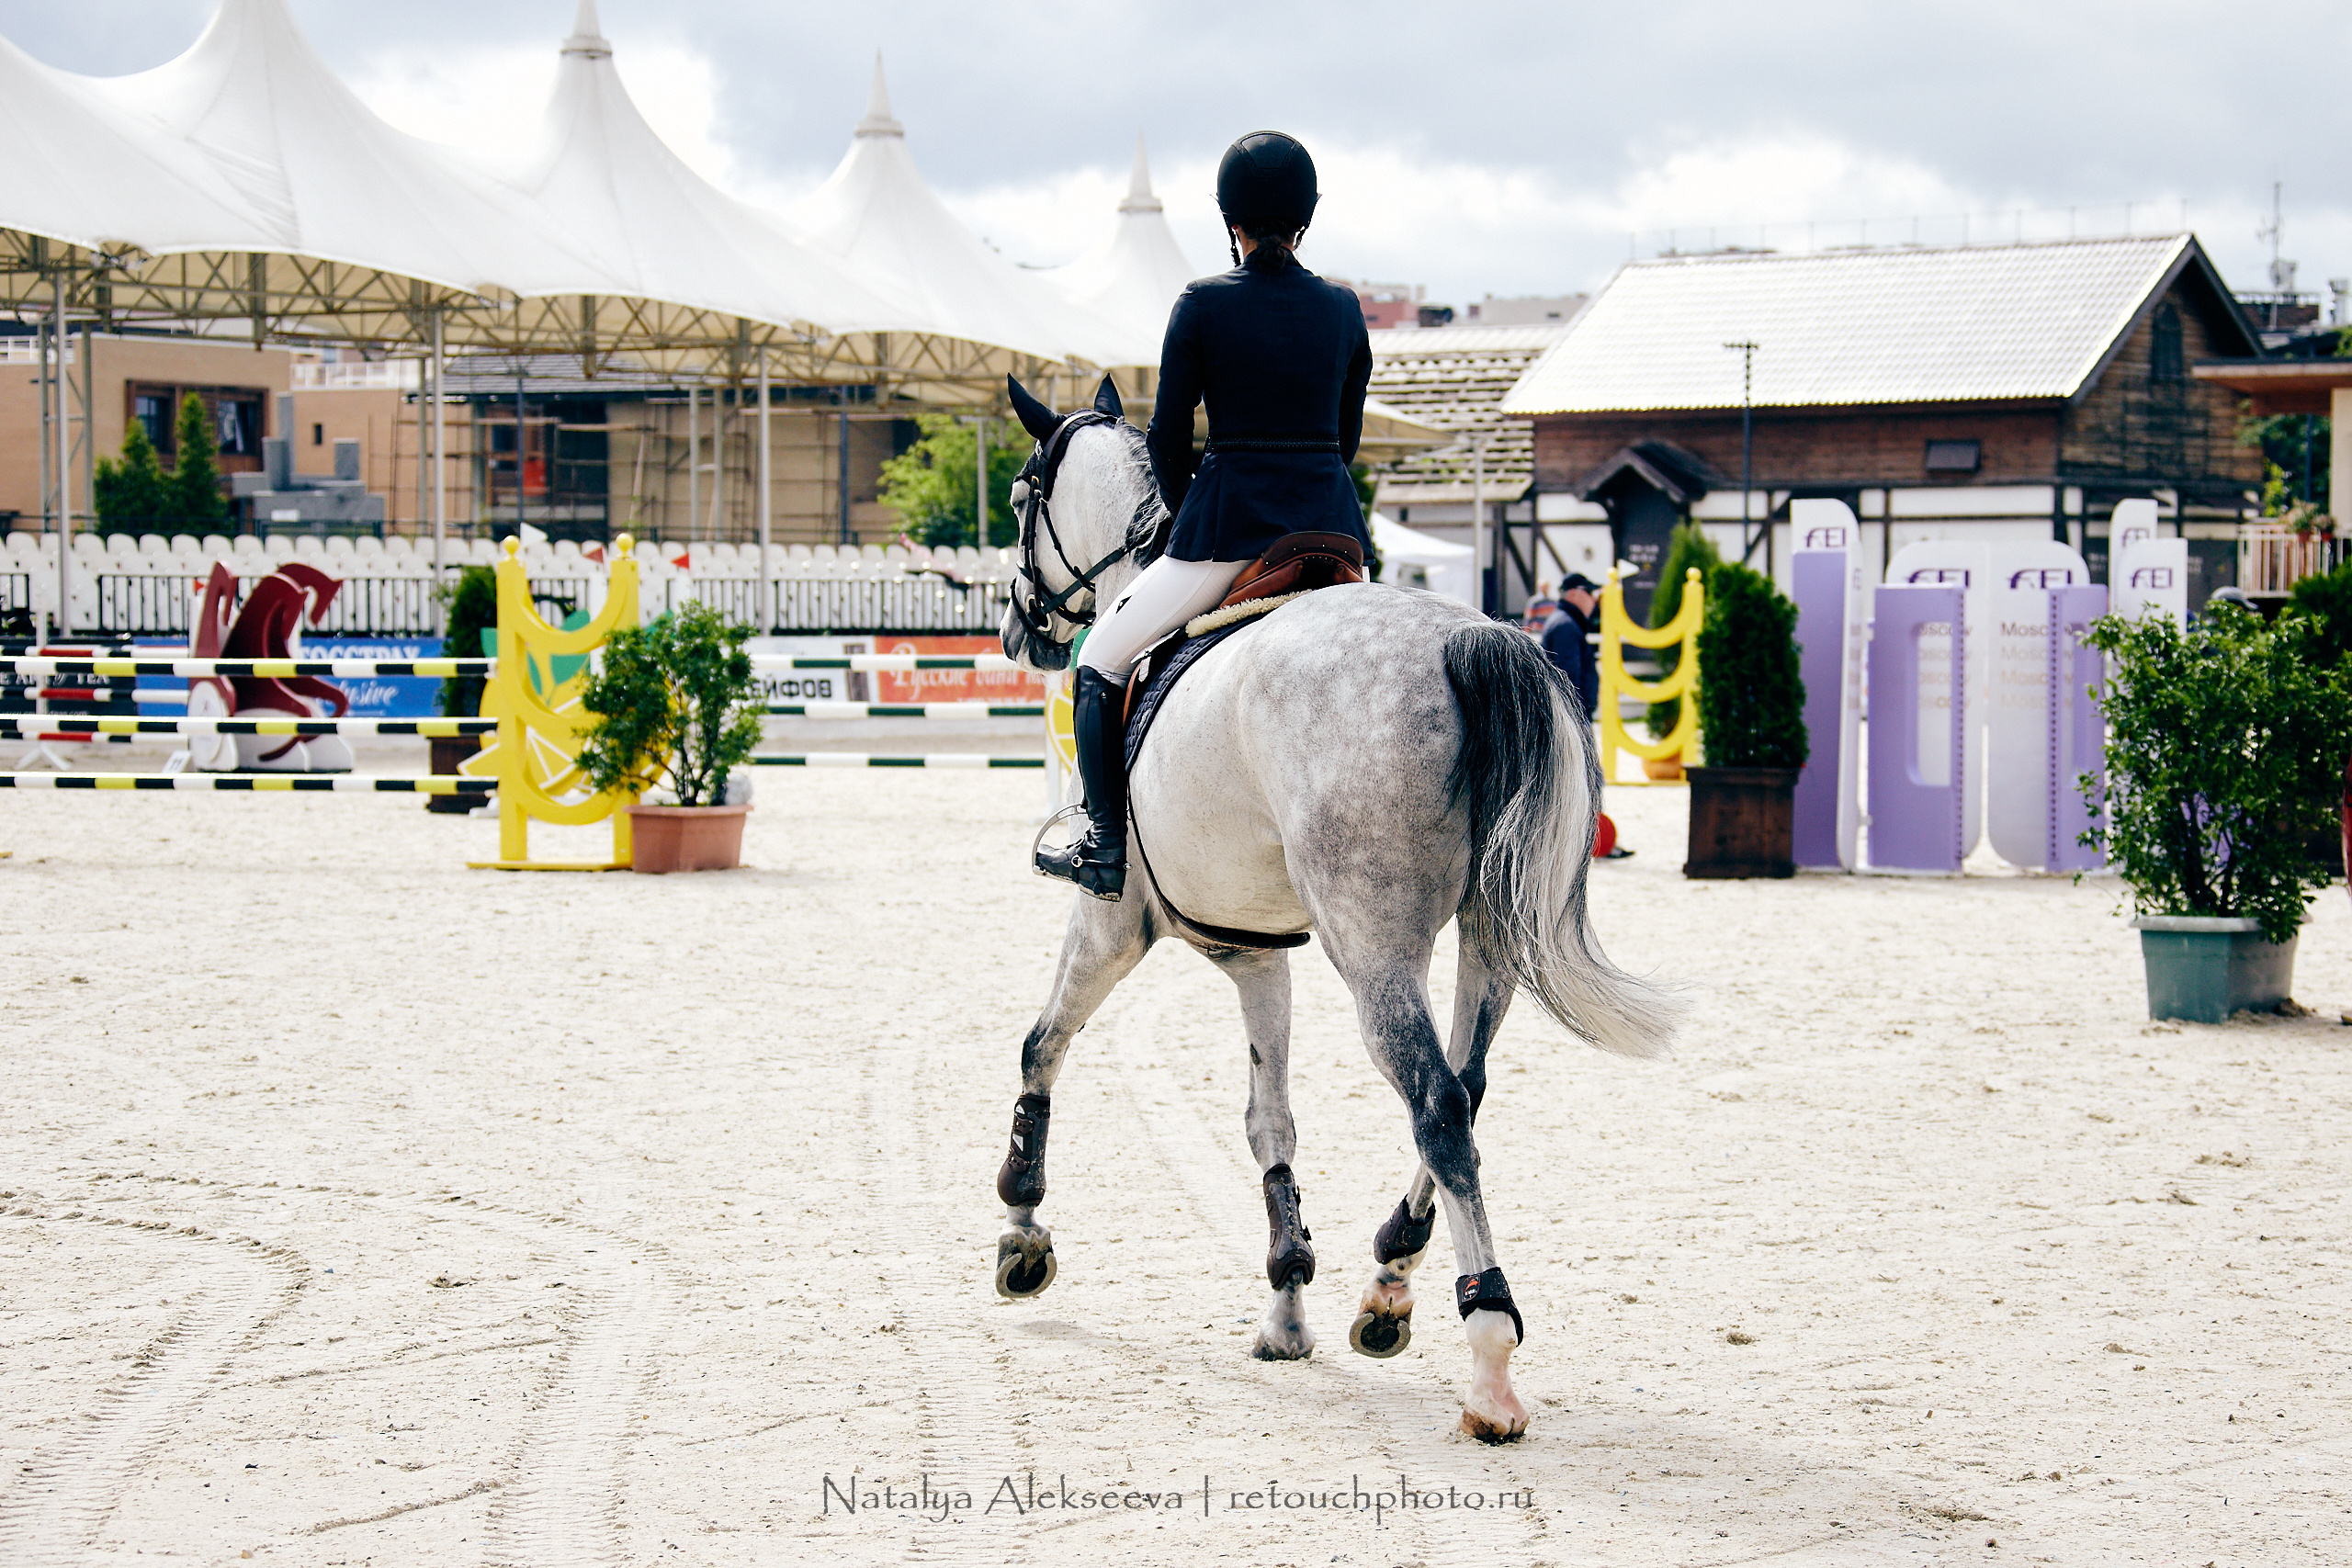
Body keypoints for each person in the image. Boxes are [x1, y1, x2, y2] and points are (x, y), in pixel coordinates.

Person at [1035, 130, 1374, 901]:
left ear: (1231, 220)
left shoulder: (1202, 304)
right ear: (1304, 219)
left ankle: (1105, 845)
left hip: (1229, 533)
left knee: (1100, 658)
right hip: (1334, 535)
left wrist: (1193, 521)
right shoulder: (1345, 310)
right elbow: (1346, 441)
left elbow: (1165, 437)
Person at [1539, 573, 1633, 859]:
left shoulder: (1563, 623)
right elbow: (1570, 681)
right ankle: (1591, 842)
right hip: (1573, 719)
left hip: (1571, 718)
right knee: (1588, 779)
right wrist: (1577, 723)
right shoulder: (1566, 627)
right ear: (1576, 594)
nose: (1595, 601)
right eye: (1591, 593)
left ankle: (1588, 841)